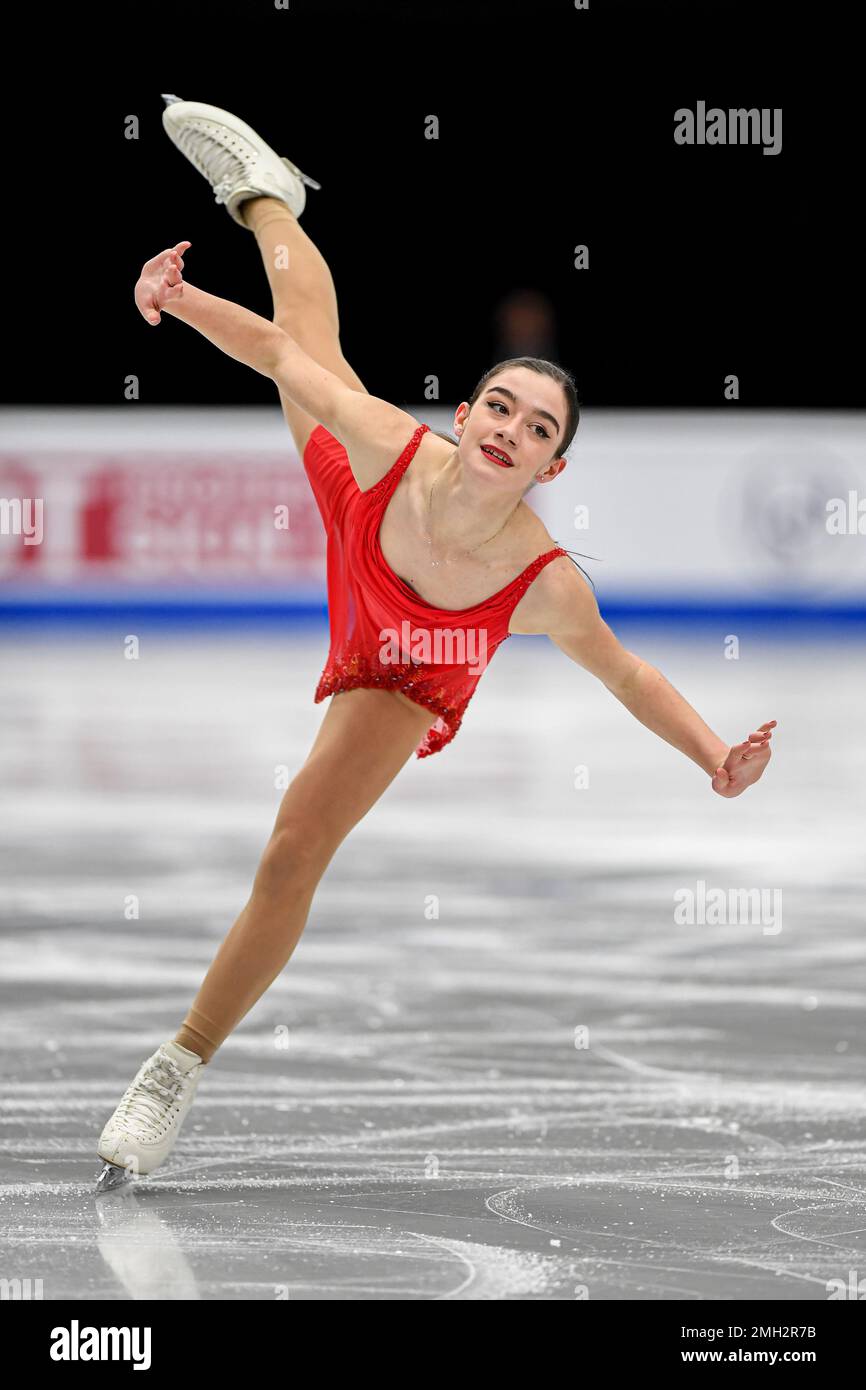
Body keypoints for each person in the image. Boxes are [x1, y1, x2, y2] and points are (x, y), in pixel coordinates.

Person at [95, 100, 776, 1190]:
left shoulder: (539, 580)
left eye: (535, 428)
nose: (508, 428)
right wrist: (175, 300)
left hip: (403, 666)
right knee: (307, 343)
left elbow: (627, 673)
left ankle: (175, 1067)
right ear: (464, 415)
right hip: (361, 516)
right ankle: (266, 193)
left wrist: (711, 756)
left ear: (547, 469)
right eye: (498, 407)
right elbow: (278, 350)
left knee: (290, 848)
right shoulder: (390, 447)